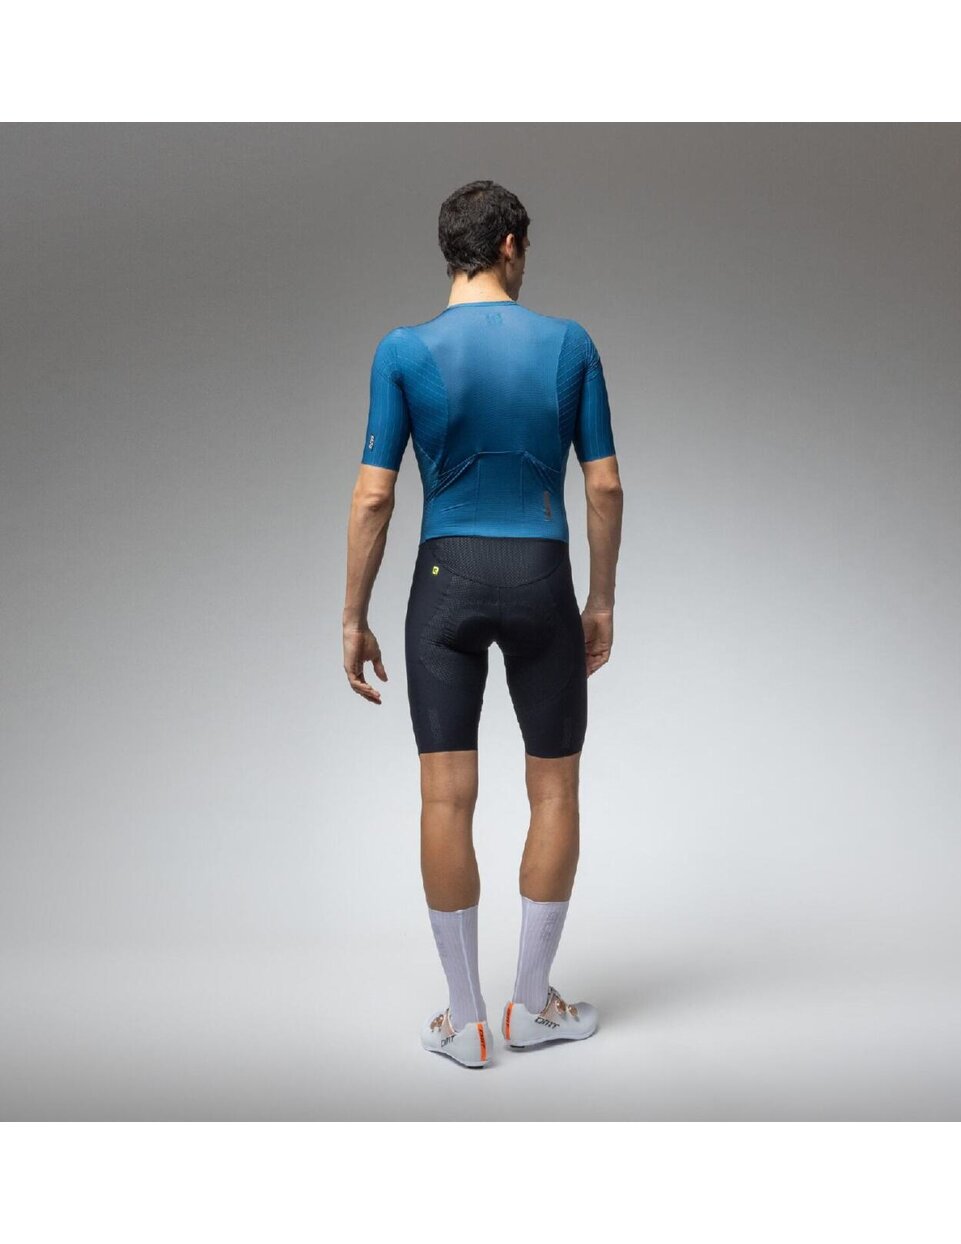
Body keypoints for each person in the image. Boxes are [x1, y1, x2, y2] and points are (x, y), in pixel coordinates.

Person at [342, 180, 623, 1067]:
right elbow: (605, 485)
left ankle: (464, 1023)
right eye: (525, 248)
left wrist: (353, 615)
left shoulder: (402, 350)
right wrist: (601, 600)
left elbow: (374, 497)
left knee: (444, 798)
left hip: (444, 583)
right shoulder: (570, 344)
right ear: (509, 245)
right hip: (541, 576)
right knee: (555, 792)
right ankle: (531, 1007)